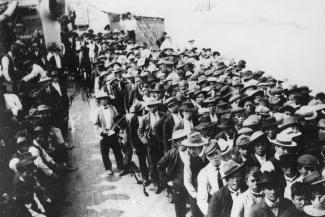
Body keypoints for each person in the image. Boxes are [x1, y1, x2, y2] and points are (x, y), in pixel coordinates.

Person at [138, 98, 167, 193]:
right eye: (149, 106)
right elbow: (140, 132)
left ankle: (164, 183)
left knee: (163, 163)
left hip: (162, 143)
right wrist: (145, 141)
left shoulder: (164, 115)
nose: (151, 108)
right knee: (152, 165)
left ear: (157, 105)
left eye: (153, 106)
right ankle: (156, 184)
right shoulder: (145, 118)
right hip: (151, 144)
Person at [157, 129, 188, 217]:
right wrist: (167, 180)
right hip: (178, 185)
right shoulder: (171, 153)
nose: (180, 142)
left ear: (186, 139)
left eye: (182, 139)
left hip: (192, 186)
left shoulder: (192, 151)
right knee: (180, 211)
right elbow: (159, 165)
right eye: (177, 140)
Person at [93, 92, 124, 176]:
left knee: (117, 151)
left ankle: (120, 167)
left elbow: (117, 120)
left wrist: (115, 129)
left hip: (113, 132)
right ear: (99, 100)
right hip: (104, 134)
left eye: (106, 98)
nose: (104, 100)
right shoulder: (98, 111)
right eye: (102, 99)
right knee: (105, 153)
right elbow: (96, 124)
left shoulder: (112, 108)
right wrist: (101, 131)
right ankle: (108, 168)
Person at [182, 131, 207, 217]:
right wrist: (196, 195)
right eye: (190, 148)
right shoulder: (188, 162)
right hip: (196, 194)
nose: (192, 151)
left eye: (194, 148)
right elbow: (187, 182)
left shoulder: (207, 156)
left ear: (201, 146)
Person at [197, 141, 223, 215]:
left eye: (216, 153)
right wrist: (210, 213)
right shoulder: (204, 173)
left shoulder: (229, 165)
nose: (215, 157)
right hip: (214, 206)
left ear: (220, 152)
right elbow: (201, 199)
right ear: (207, 157)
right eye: (211, 155)